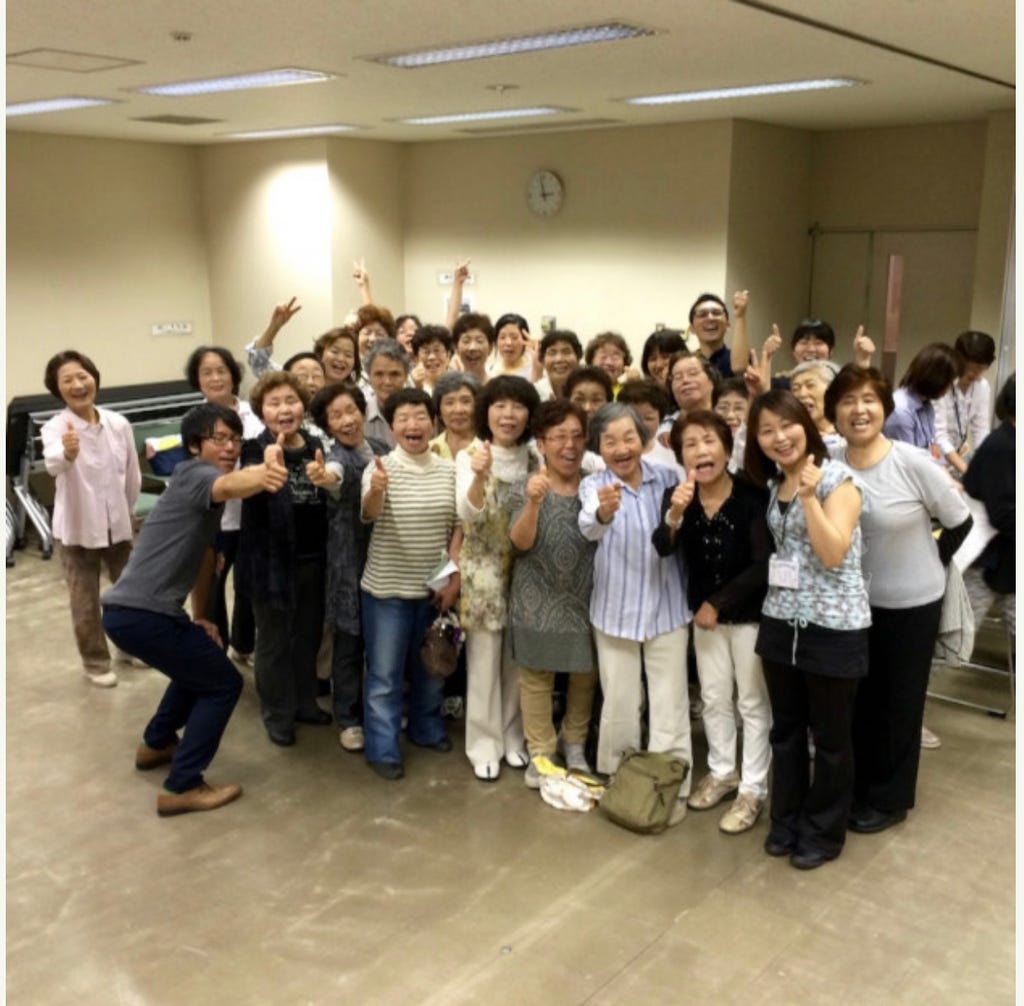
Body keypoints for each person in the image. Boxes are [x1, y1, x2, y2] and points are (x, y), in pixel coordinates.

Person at [101, 402, 288, 815]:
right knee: (223, 683)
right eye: (219, 438)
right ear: (193, 445)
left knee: (202, 660)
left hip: (134, 613)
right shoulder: (195, 474)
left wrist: (200, 617)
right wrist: (267, 469)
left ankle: (156, 744)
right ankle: (182, 786)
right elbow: (230, 485)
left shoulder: (201, 497)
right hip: (141, 613)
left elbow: (205, 559)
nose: (230, 447)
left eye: (235, 439)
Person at [828, 365, 972, 830]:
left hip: (910, 605)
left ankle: (890, 800)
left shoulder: (911, 461)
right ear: (834, 413)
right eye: (847, 401)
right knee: (859, 700)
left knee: (899, 704)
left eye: (868, 400)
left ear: (885, 408)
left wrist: (931, 560)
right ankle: (858, 786)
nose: (859, 410)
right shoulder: (829, 459)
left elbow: (960, 521)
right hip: (851, 606)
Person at [745, 390, 870, 870]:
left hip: (833, 626)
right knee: (786, 731)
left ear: (807, 425)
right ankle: (786, 821)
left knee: (832, 741)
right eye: (767, 431)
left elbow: (833, 553)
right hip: (781, 620)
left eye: (787, 425)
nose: (779, 437)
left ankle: (823, 832)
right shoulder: (774, 483)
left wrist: (809, 498)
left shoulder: (839, 481)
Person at [652, 411, 771, 834]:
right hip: (705, 619)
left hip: (748, 615)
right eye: (690, 444)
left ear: (726, 447)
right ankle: (723, 772)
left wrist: (717, 603)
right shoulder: (677, 495)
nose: (701, 451)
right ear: (680, 455)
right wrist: (675, 514)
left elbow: (763, 563)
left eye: (709, 441)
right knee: (715, 697)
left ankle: (753, 788)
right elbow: (663, 547)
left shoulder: (752, 495)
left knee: (751, 702)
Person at [578, 402, 693, 822]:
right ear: (599, 447)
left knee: (670, 702)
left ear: (643, 440)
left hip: (667, 608)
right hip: (615, 610)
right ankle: (620, 779)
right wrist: (604, 512)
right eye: (610, 441)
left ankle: (671, 783)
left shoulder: (668, 477)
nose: (621, 448)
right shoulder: (594, 485)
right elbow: (589, 526)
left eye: (629, 437)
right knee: (621, 702)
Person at [360, 388, 460, 780]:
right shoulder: (380, 467)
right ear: (392, 427)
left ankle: (426, 727)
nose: (412, 425)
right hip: (387, 590)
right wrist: (377, 490)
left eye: (420, 416)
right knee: (385, 675)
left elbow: (458, 527)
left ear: (433, 422)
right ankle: (382, 747)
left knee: (432, 667)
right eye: (403, 418)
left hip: (434, 588)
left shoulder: (449, 471)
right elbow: (369, 514)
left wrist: (451, 578)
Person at [237, 372, 341, 747]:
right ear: (261, 411)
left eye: (291, 401)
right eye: (274, 403)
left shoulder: (316, 444)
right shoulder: (254, 449)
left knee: (308, 637)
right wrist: (264, 467)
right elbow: (248, 481)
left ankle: (304, 703)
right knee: (274, 642)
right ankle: (277, 714)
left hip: (314, 559)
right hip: (271, 564)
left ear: (303, 406)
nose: (284, 409)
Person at [509, 400, 598, 787]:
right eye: (559, 436)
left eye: (577, 436)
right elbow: (519, 543)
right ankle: (541, 752)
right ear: (541, 444)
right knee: (536, 678)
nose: (569, 445)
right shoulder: (525, 486)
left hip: (586, 595)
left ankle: (574, 743)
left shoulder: (595, 486)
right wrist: (533, 502)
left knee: (584, 674)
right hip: (536, 596)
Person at [457, 376, 541, 780]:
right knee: (484, 661)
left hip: (527, 568)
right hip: (483, 570)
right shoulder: (470, 455)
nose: (509, 415)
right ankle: (483, 744)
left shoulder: (535, 458)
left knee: (517, 660)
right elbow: (467, 514)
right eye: (500, 405)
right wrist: (477, 476)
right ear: (486, 411)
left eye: (518, 406)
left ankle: (512, 738)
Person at [42, 350, 141, 687]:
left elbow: (132, 474)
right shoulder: (55, 427)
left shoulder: (118, 423)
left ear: (94, 378)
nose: (77, 385)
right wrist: (68, 452)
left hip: (118, 523)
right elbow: (53, 463)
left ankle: (129, 647)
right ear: (57, 389)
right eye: (67, 380)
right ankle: (95, 663)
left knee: (128, 593)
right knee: (84, 600)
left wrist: (129, 511)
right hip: (77, 527)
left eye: (82, 376)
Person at [310, 383, 390, 754]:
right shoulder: (335, 456)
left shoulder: (383, 448)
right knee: (349, 642)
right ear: (327, 425)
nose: (347, 420)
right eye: (336, 416)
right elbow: (334, 476)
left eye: (351, 411)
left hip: (386, 555)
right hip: (348, 561)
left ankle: (380, 710)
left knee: (383, 642)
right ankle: (348, 717)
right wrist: (324, 477)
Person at [183, 345, 264, 663]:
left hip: (252, 516)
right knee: (210, 589)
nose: (215, 378)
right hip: (212, 520)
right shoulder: (193, 421)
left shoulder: (255, 415)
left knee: (249, 584)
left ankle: (244, 646)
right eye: (207, 372)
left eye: (221, 371)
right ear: (197, 380)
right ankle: (214, 648)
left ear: (233, 375)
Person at [962, 373, 1015, 640]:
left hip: (1007, 556)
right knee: (957, 639)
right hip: (986, 557)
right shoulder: (1002, 445)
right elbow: (1003, 513)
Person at [883, 343, 960, 462]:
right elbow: (908, 463)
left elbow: (932, 450)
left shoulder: (926, 405)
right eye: (949, 382)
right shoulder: (901, 411)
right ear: (937, 379)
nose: (949, 388)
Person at [934, 330, 996, 475]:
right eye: (968, 366)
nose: (973, 373)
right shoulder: (942, 382)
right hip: (931, 458)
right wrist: (967, 472)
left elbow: (980, 430)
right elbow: (939, 436)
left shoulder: (982, 387)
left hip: (955, 458)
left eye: (980, 368)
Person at [616, 378, 680, 472]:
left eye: (649, 418)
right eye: (634, 416)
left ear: (660, 419)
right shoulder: (611, 454)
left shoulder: (671, 457)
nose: (640, 424)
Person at [687, 291, 750, 378]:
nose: (710, 318)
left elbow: (739, 369)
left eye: (716, 313)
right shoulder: (686, 362)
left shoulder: (736, 359)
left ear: (727, 326)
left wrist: (740, 316)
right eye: (702, 314)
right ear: (692, 329)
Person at [363, 339, 411, 446]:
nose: (387, 382)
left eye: (394, 374)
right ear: (369, 376)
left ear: (406, 376)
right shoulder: (360, 417)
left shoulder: (423, 415)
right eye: (379, 374)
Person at [790, 359, 844, 450]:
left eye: (810, 385)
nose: (802, 394)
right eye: (796, 389)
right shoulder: (792, 439)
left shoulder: (853, 432)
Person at [430, 372, 481, 461]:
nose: (458, 410)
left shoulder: (489, 448)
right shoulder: (429, 450)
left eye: (466, 401)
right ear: (439, 411)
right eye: (449, 403)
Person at [534, 329, 583, 401]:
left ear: (578, 357)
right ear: (542, 360)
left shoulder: (587, 391)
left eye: (566, 352)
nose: (559, 359)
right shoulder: (535, 393)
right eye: (552, 353)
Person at [488, 313, 538, 380]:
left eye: (514, 337)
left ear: (525, 339)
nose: (508, 343)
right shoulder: (490, 371)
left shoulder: (534, 371)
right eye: (502, 337)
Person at [450, 312, 494, 384]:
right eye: (466, 341)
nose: (472, 347)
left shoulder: (497, 387)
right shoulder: (450, 387)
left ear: (490, 348)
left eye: (479, 341)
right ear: (456, 347)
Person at [410, 324, 454, 395]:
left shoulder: (460, 385)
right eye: (426, 352)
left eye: (437, 350)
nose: (432, 357)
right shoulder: (409, 386)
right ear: (416, 358)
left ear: (448, 355)